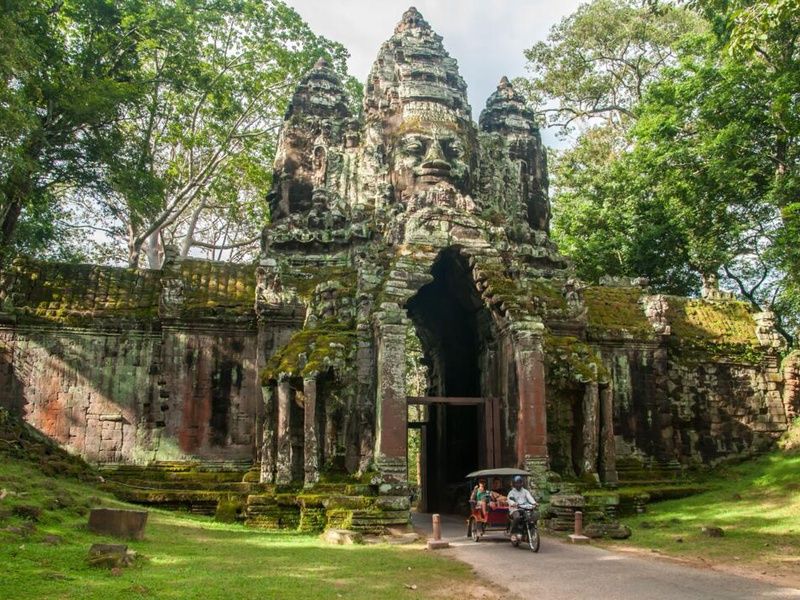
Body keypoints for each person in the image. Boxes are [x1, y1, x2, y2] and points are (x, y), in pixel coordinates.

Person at [507, 475, 537, 541]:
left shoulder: (525, 491)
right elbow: (509, 500)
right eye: (517, 483)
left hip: (525, 508)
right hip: (515, 509)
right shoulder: (511, 492)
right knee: (517, 517)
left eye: (520, 482)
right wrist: (513, 503)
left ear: (522, 483)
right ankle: (513, 532)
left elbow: (530, 497)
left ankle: (532, 532)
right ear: (514, 484)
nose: (518, 484)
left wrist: (534, 503)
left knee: (534, 516)